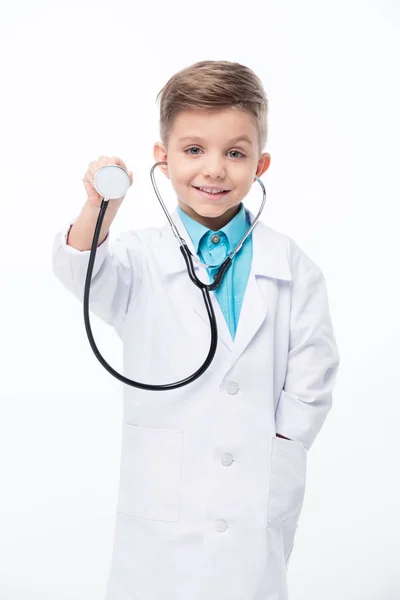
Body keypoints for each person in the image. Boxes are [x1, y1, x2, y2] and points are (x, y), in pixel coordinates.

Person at [52, 60, 340, 600]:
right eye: (193, 150)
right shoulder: (137, 258)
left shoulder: (292, 265)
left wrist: (283, 446)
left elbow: (314, 371)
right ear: (162, 158)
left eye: (235, 152)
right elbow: (79, 268)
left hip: (258, 488)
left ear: (261, 164)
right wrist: (100, 206)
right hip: (162, 500)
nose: (214, 169)